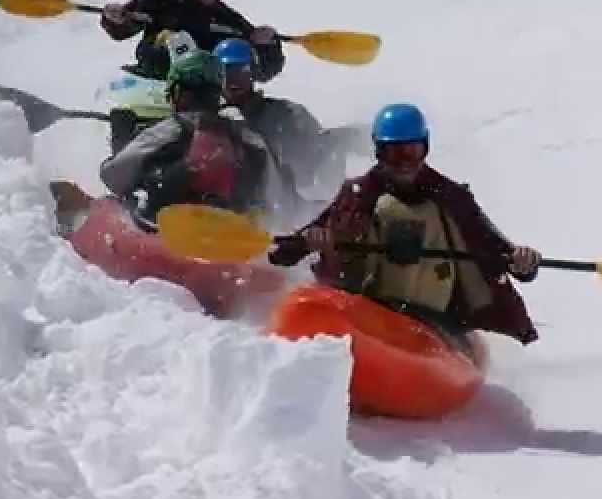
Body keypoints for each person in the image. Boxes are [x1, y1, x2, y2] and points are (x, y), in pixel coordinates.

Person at [269, 103, 544, 346]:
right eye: (393, 154)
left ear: (425, 148)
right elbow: (290, 250)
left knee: (414, 213)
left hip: (437, 321)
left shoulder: (450, 197)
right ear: (378, 152)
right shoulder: (358, 196)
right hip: (376, 311)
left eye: (411, 152)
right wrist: (309, 242)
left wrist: (522, 261)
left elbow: (496, 248)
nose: (403, 164)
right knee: (389, 211)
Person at [99, 33, 292, 225]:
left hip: (171, 232)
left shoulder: (169, 130)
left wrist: (120, 141)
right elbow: (276, 195)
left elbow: (114, 176)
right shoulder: (247, 136)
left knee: (125, 199)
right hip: (234, 235)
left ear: (177, 93)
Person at [99, 0, 284, 82]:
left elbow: (263, 70)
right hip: (152, 82)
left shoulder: (230, 22)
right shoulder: (165, 0)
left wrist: (269, 45)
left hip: (202, 97)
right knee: (175, 39)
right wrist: (115, 19)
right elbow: (122, 28)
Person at [214, 37, 338, 189]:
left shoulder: (288, 114)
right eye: (226, 73)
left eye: (241, 71)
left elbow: (319, 160)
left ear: (253, 72)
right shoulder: (210, 121)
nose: (233, 81)